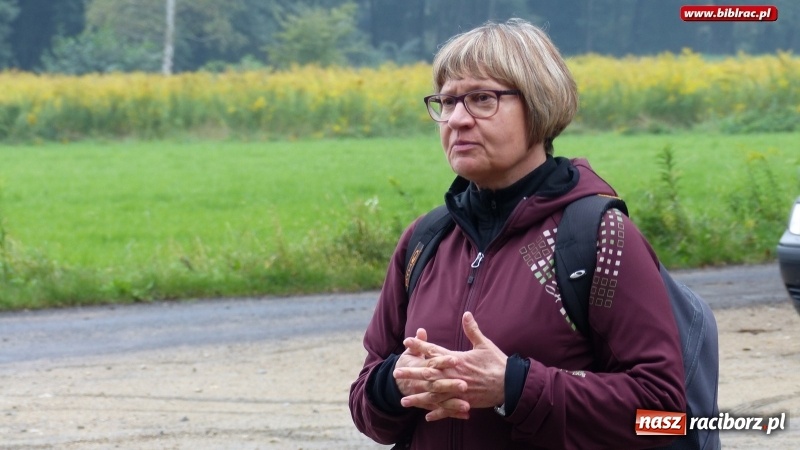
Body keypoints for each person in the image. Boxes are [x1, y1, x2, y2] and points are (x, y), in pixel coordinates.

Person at [349, 18, 685, 449]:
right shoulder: (425, 239)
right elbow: (367, 408)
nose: (456, 119)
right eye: (447, 102)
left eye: (482, 99)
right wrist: (394, 385)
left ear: (539, 104)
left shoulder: (599, 238)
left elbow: (664, 416)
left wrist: (515, 387)